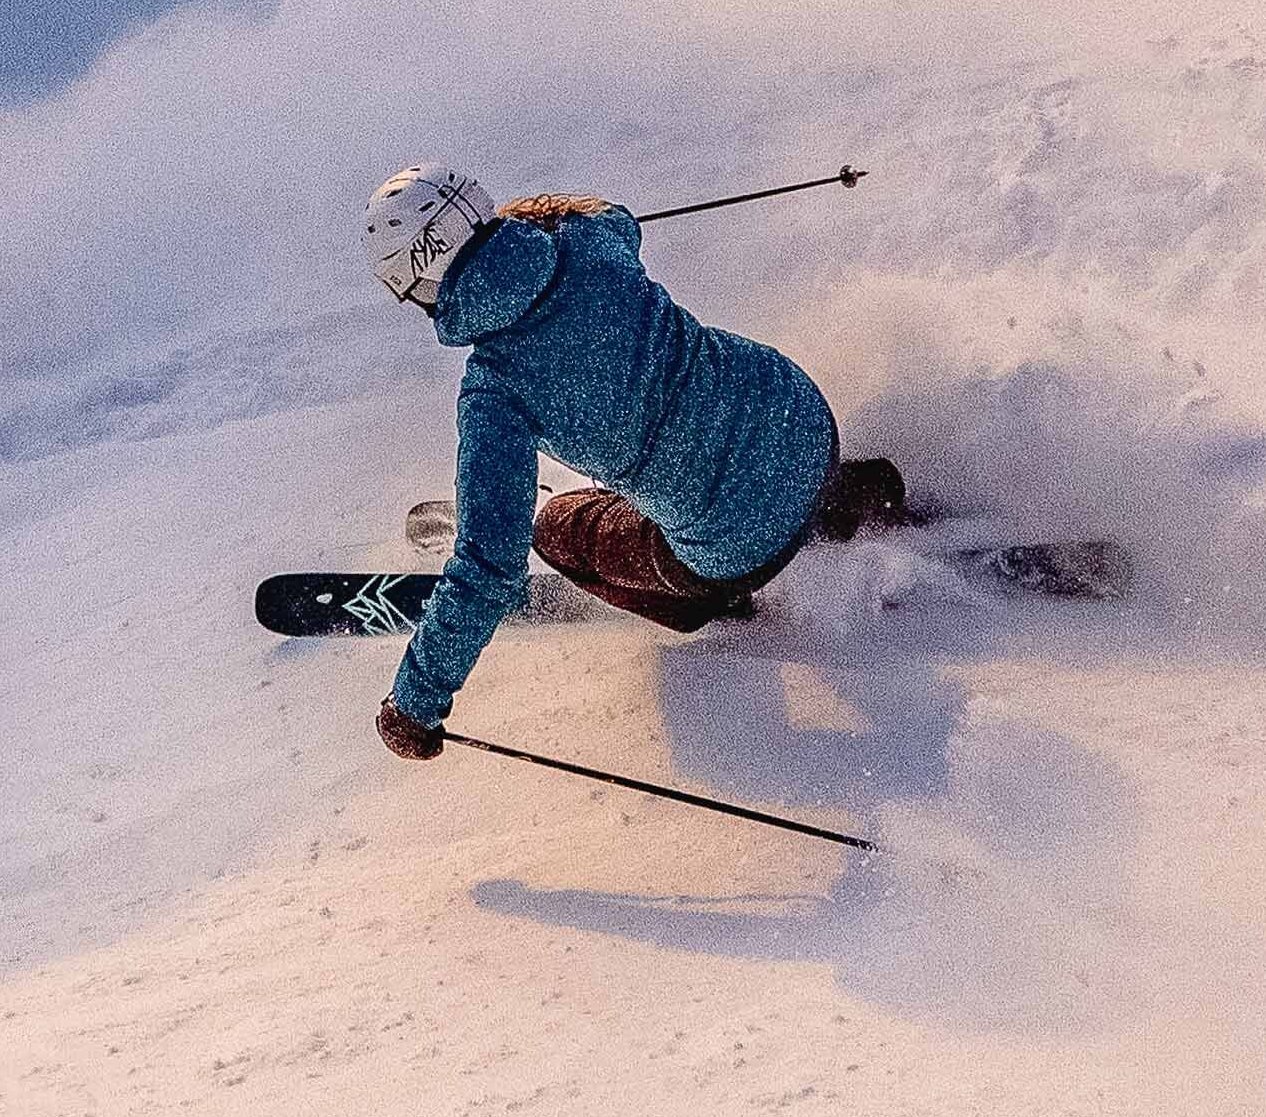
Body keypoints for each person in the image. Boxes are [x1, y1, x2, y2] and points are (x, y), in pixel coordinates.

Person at [359, 164, 910, 758]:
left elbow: (491, 566)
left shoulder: (495, 390)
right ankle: (835, 497)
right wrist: (545, 215)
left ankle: (712, 598)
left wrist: (414, 705)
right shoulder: (584, 243)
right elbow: (615, 216)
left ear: (418, 282)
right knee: (711, 443)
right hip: (801, 418)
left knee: (555, 530)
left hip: (734, 545)